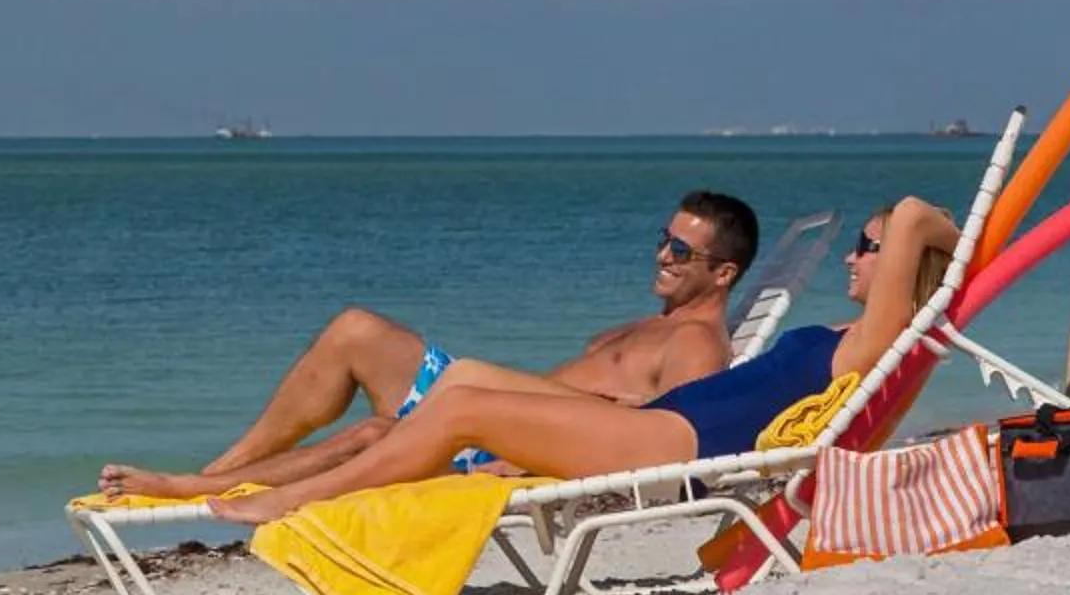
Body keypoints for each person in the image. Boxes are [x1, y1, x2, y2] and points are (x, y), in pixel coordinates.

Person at [207, 198, 958, 526]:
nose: (857, 256)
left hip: (677, 444)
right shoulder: (839, 333)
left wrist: (952, 247)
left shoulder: (871, 344)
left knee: (462, 406)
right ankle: (244, 483)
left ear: (902, 265)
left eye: (871, 245)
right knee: (462, 382)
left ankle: (292, 501)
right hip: (669, 427)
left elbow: (920, 212)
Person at [97, 191, 760, 502]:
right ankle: (221, 470)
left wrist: (521, 461)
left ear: (723, 273)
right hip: (485, 415)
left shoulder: (697, 342)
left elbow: (670, 440)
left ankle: (195, 489)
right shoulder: (652, 322)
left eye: (680, 250)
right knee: (356, 329)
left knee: (375, 433)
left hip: (504, 441)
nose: (662, 256)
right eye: (663, 239)